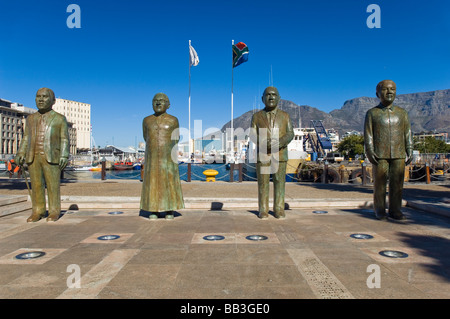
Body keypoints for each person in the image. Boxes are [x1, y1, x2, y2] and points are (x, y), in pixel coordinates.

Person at [15, 88, 69, 222]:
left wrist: (64, 155)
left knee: (52, 185)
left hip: (51, 156)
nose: (40, 99)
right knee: (37, 185)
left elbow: (64, 139)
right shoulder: (30, 118)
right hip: (33, 156)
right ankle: (38, 211)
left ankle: (54, 211)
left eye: (44, 97)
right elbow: (26, 137)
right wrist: (21, 152)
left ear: (53, 101)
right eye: (38, 96)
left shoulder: (59, 119)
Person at [364, 80, 413, 220]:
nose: (389, 92)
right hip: (379, 154)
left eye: (393, 89)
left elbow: (408, 133)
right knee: (379, 184)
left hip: (399, 152)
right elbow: (368, 134)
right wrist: (369, 150)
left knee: (397, 184)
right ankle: (379, 209)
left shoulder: (402, 113)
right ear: (377, 93)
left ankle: (395, 210)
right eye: (385, 89)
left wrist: (409, 148)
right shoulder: (372, 113)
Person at [250, 87, 294, 219]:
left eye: (274, 95)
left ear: (279, 98)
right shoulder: (256, 116)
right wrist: (263, 143)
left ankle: (279, 209)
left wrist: (280, 142)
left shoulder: (285, 116)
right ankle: (263, 209)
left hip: (280, 154)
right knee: (263, 183)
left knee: (279, 182)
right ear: (262, 98)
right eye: (267, 95)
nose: (271, 97)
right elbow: (252, 134)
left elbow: (290, 133)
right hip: (263, 155)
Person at [140, 93, 184, 219]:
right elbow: (146, 137)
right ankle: (153, 209)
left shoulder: (173, 120)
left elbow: (176, 137)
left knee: (169, 181)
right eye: (155, 100)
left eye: (162, 101)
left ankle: (169, 209)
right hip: (152, 157)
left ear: (168, 104)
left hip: (168, 157)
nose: (158, 103)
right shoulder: (146, 120)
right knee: (152, 182)